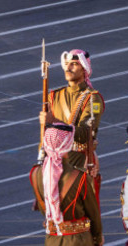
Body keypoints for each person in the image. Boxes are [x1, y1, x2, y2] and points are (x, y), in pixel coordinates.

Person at [40, 50, 104, 182]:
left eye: (74, 64)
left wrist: (55, 121)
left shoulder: (92, 98)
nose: (68, 68)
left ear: (84, 69)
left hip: (79, 164)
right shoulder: (54, 96)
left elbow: (85, 134)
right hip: (53, 162)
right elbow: (45, 134)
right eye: (67, 64)